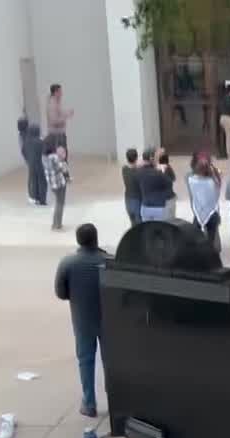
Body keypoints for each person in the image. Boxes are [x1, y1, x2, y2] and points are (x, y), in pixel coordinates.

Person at [54, 224, 110, 418]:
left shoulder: (68, 263)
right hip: (108, 319)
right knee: (110, 361)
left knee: (85, 360)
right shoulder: (109, 262)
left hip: (82, 318)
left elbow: (60, 293)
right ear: (96, 238)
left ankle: (89, 403)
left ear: (78, 240)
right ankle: (115, 401)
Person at [187, 151, 224, 253]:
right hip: (213, 212)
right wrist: (214, 171)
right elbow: (219, 180)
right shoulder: (214, 181)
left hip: (198, 211)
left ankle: (198, 253)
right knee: (212, 236)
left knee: (196, 235)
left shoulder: (191, 180)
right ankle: (212, 253)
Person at [137, 148, 175, 222]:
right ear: (152, 159)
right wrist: (163, 171)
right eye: (156, 158)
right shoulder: (158, 173)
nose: (157, 160)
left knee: (147, 228)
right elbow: (169, 183)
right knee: (159, 228)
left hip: (145, 206)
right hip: (158, 207)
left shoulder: (139, 172)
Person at [45, 144, 71, 231]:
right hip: (60, 185)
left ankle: (55, 224)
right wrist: (68, 179)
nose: (65, 155)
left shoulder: (48, 160)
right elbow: (65, 171)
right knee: (60, 204)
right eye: (64, 153)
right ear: (60, 153)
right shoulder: (60, 161)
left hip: (53, 186)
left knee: (58, 203)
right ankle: (57, 226)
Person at [23, 123, 48, 206]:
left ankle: (34, 198)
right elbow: (46, 151)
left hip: (31, 165)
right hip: (39, 163)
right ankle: (42, 200)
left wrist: (28, 160)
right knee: (42, 182)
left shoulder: (26, 142)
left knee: (32, 180)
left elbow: (23, 152)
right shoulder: (39, 141)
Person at [45, 83, 73, 156]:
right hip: (56, 135)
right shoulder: (52, 104)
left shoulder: (56, 102)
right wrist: (65, 117)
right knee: (60, 156)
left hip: (58, 133)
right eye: (60, 91)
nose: (61, 93)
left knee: (62, 156)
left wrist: (66, 113)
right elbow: (54, 121)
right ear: (55, 92)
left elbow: (59, 114)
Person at [122, 148, 142, 225]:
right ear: (136, 158)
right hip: (137, 200)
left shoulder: (124, 169)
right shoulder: (139, 171)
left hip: (127, 199)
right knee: (139, 224)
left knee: (133, 223)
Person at [158, 149, 178, 219]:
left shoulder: (156, 168)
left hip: (160, 196)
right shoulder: (168, 168)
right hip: (168, 195)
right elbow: (173, 178)